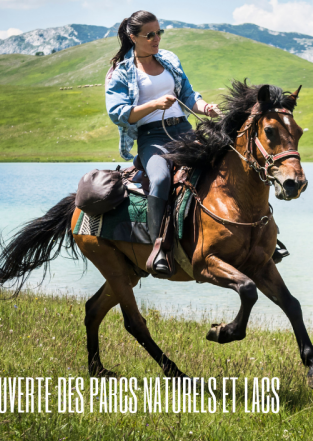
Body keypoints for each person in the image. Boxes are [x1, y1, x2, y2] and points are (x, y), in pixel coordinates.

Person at [105, 10, 220, 275]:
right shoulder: (120, 72)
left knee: (226, 161)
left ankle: (258, 233)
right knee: (159, 180)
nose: (157, 38)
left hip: (184, 131)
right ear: (133, 37)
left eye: (159, 32)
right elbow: (119, 113)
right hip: (152, 137)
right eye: (150, 35)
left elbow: (189, 95)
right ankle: (159, 247)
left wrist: (206, 107)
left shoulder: (169, 59)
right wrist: (155, 104)